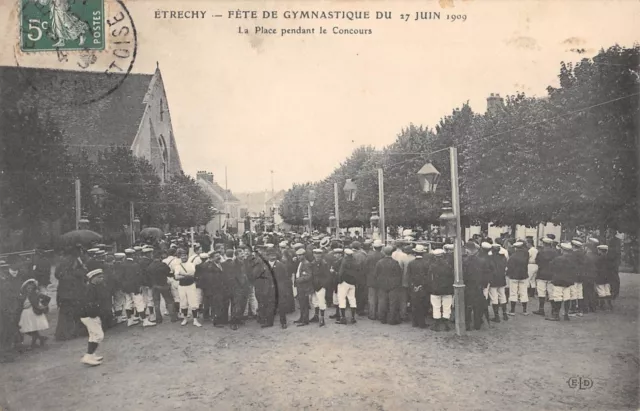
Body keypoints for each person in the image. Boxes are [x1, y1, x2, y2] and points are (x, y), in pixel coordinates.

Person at [79, 264, 106, 366]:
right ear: (93, 278)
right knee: (99, 335)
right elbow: (89, 304)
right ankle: (88, 356)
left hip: (90, 315)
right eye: (100, 277)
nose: (102, 279)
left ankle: (92, 354)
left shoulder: (94, 287)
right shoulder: (90, 289)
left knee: (93, 335)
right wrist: (94, 314)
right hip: (89, 315)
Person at [545, 243, 576, 321]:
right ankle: (566, 314)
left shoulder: (558, 259)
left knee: (557, 297)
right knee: (567, 297)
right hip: (569, 281)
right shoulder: (573, 260)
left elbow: (551, 267)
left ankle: (556, 315)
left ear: (562, 250)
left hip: (558, 280)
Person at [147, 251, 178, 323]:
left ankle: (158, 318)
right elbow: (168, 272)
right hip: (164, 284)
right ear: (160, 257)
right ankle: (173, 317)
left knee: (156, 302)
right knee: (169, 301)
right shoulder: (163, 264)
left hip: (154, 285)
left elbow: (148, 276)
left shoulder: (150, 266)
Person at [18, 279, 49, 349]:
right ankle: (41, 338)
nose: (29, 289)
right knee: (26, 329)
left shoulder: (35, 294)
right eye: (28, 288)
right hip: (26, 314)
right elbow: (21, 304)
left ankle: (33, 344)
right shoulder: (23, 295)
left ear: (34, 288)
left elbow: (47, 298)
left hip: (33, 313)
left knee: (32, 329)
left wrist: (42, 306)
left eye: (31, 288)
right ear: (25, 288)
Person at [375, 246, 403, 325]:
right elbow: (399, 274)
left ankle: (382, 319)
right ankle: (392, 320)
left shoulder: (379, 262)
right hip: (393, 285)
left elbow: (376, 274)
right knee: (393, 303)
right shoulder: (395, 262)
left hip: (382, 284)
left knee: (382, 302)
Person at [173, 250, 201, 327]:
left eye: (185, 255)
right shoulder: (178, 266)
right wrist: (186, 276)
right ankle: (185, 319)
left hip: (191, 285)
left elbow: (193, 274)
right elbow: (176, 277)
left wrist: (182, 275)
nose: (184, 257)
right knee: (183, 303)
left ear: (187, 256)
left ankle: (195, 320)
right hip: (182, 286)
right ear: (180, 257)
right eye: (182, 256)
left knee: (193, 302)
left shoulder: (191, 264)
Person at [429, 249, 454, 332]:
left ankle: (436, 325)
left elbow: (430, 278)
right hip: (447, 289)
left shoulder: (432, 266)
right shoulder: (449, 265)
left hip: (435, 289)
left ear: (435, 257)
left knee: (436, 306)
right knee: (447, 307)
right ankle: (446, 324)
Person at [532, 238, 557, 316]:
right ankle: (553, 310)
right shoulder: (555, 252)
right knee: (551, 292)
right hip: (552, 274)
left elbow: (537, 261)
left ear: (544, 243)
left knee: (541, 292)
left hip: (542, 274)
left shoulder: (541, 252)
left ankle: (541, 309)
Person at [407, 245, 429, 328]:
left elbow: (408, 276)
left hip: (413, 287)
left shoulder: (411, 263)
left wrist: (413, 285)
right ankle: (422, 323)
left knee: (414, 304)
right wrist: (421, 285)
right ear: (423, 253)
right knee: (423, 305)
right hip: (423, 287)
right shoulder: (426, 263)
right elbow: (427, 276)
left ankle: (414, 322)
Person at [507, 241, 530, 316]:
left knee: (513, 293)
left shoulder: (513, 257)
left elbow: (509, 267)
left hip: (514, 276)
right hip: (523, 276)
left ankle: (512, 310)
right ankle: (525, 310)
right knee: (523, 292)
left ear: (515, 248)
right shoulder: (526, 255)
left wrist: (508, 274)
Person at [337, 248, 359, 324]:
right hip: (352, 283)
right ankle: (353, 317)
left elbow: (341, 272)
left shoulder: (344, 261)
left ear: (345, 254)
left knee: (342, 299)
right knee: (352, 299)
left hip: (344, 282)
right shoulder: (355, 261)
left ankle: (343, 318)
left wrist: (339, 281)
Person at [310, 249, 331, 327]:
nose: (317, 256)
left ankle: (322, 318)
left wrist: (323, 285)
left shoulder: (324, 264)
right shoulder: (312, 263)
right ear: (314, 255)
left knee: (321, 302)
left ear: (321, 255)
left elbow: (328, 276)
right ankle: (316, 316)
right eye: (316, 255)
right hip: (314, 285)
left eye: (319, 255)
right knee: (315, 301)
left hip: (321, 286)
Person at [489, 243, 509, 322]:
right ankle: (505, 314)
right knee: (502, 296)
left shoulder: (490, 258)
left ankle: (496, 316)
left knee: (494, 297)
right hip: (501, 278)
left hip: (493, 279)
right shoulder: (503, 257)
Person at [294, 248, 313, 326]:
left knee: (304, 303)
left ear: (304, 255)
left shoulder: (306, 263)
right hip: (300, 286)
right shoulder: (301, 262)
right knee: (301, 303)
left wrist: (299, 280)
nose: (298, 256)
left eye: (300, 255)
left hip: (304, 286)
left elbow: (309, 276)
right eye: (298, 255)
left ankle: (305, 320)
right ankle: (302, 318)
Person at [365, 240, 384, 320]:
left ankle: (372, 314)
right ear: (381, 247)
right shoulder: (383, 255)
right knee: (380, 298)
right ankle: (380, 314)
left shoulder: (369, 256)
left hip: (371, 279)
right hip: (380, 279)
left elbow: (365, 267)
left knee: (372, 298)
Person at [595, 245, 614, 310]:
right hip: (607, 277)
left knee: (601, 290)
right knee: (607, 290)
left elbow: (597, 267)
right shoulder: (610, 258)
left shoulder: (598, 258)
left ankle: (602, 305)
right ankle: (609, 304)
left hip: (600, 276)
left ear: (600, 251)